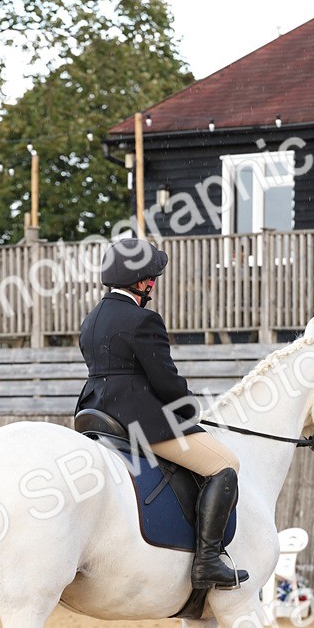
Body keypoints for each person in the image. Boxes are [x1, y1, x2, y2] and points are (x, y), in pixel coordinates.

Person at [75, 237, 248, 590]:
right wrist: (189, 408)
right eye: (151, 277)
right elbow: (166, 381)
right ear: (142, 282)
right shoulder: (143, 320)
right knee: (225, 464)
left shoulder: (91, 320)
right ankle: (208, 560)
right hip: (140, 421)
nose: (153, 283)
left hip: (95, 412)